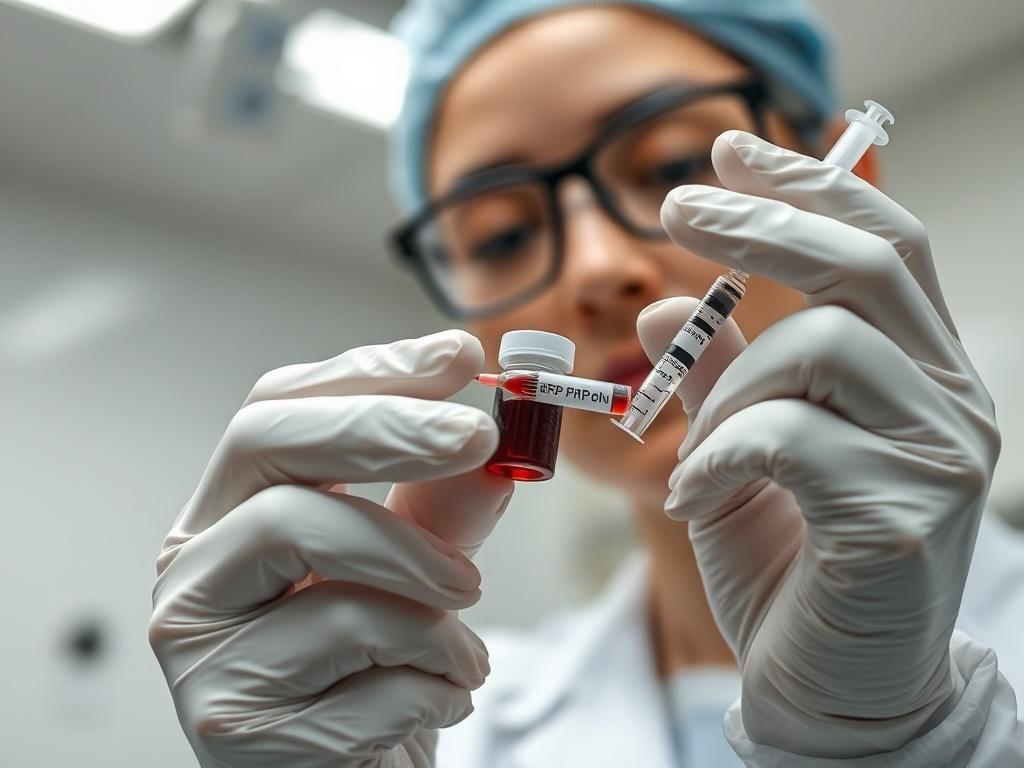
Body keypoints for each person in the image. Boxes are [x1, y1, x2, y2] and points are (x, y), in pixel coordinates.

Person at [148, 1, 1024, 765]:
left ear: (845, 185)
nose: (597, 271)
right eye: (501, 237)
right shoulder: (456, 728)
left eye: (670, 165)